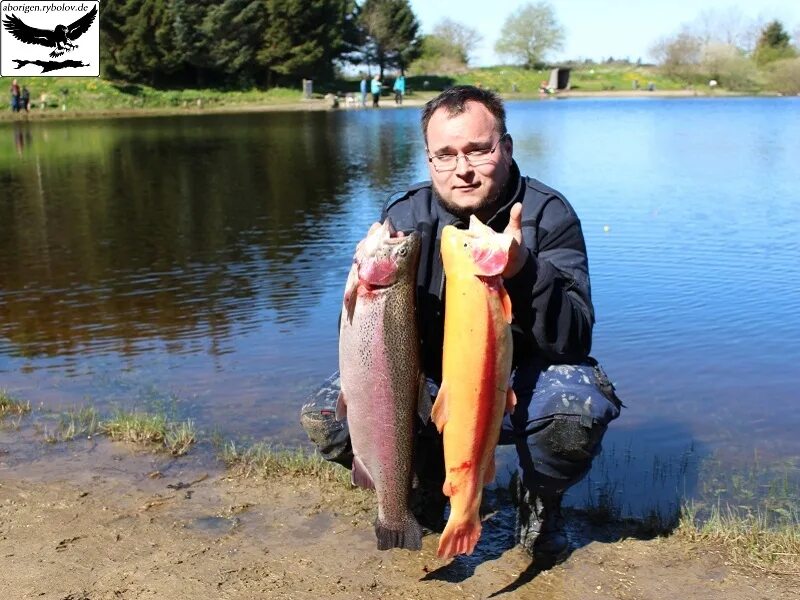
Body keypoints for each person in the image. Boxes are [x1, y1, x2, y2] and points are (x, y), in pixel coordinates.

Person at [300, 85, 622, 565]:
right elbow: (368, 342)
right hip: (431, 376)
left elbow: (575, 336)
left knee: (574, 414)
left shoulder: (548, 214)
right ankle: (423, 482)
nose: (462, 169)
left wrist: (522, 269)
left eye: (478, 150)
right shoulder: (406, 215)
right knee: (328, 415)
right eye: (445, 155)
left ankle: (540, 501)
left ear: (507, 148)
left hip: (525, 378)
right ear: (429, 160)